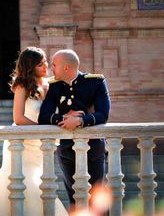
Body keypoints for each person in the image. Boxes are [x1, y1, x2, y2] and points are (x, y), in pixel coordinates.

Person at [0, 47, 73, 216]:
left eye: (45, 61)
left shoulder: (51, 85)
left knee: (40, 181)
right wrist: (43, 130)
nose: (46, 65)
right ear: (31, 67)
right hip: (22, 143)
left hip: (40, 146)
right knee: (21, 181)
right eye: (41, 64)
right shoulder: (22, 86)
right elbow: (19, 117)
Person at [37, 49, 111, 207]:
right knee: (74, 198)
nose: (52, 69)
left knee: (97, 197)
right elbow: (44, 116)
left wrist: (80, 121)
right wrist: (64, 118)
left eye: (54, 65)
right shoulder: (55, 86)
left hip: (94, 147)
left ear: (66, 68)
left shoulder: (95, 82)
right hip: (67, 149)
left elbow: (103, 114)